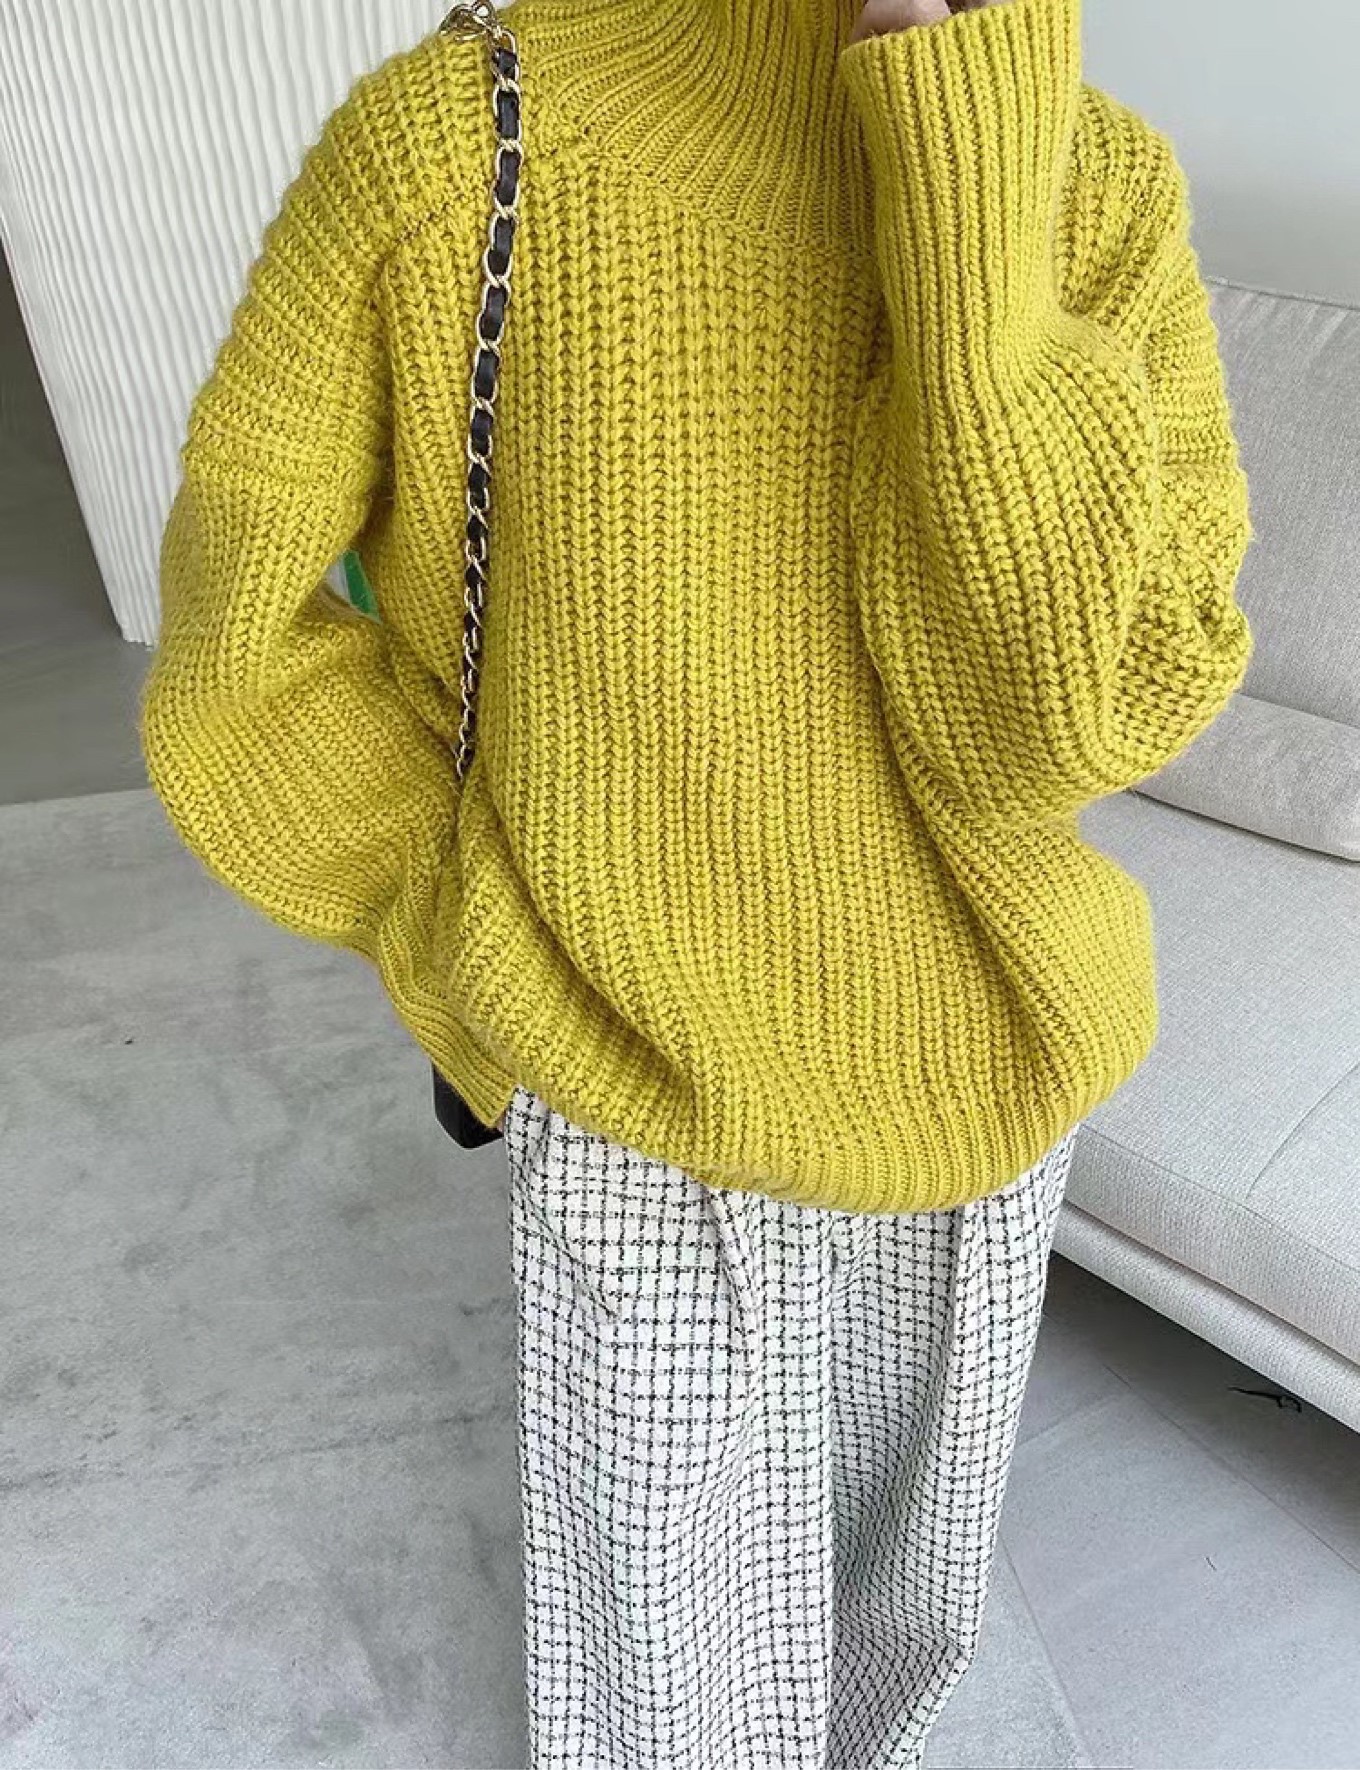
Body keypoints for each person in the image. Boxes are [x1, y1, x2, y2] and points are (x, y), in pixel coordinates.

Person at [139, 0, 1254, 1763]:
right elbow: (241, 652)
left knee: (903, 1620)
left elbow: (1081, 720)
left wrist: (966, 208)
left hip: (988, 1066)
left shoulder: (1084, 180)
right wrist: (457, 924)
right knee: (675, 1689)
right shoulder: (451, 152)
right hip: (623, 1076)